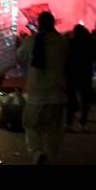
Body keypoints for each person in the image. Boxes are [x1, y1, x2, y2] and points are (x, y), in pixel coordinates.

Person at [16, 10, 69, 163]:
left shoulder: (31, 40)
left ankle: (37, 153)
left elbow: (20, 57)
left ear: (39, 24)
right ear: (53, 24)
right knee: (54, 130)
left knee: (31, 125)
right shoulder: (62, 42)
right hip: (57, 94)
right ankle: (51, 156)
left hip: (36, 94)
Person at [65, 24, 96, 130]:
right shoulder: (90, 43)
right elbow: (95, 56)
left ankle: (69, 121)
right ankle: (83, 120)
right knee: (84, 99)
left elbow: (67, 56)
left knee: (70, 98)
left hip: (72, 74)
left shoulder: (72, 42)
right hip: (85, 73)